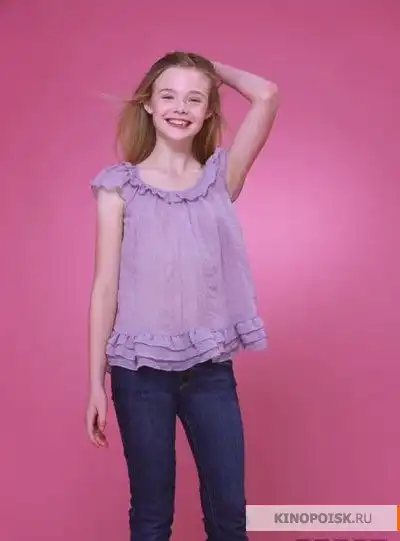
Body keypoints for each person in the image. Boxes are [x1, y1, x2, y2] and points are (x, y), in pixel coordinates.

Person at [86, 51, 279, 541]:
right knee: (152, 518)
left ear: (209, 110)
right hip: (138, 374)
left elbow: (266, 94)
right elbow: (104, 287)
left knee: (229, 516)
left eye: (195, 99)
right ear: (148, 104)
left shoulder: (220, 179)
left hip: (209, 372)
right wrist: (95, 383)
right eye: (168, 95)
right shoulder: (118, 187)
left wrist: (213, 70)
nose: (180, 107)